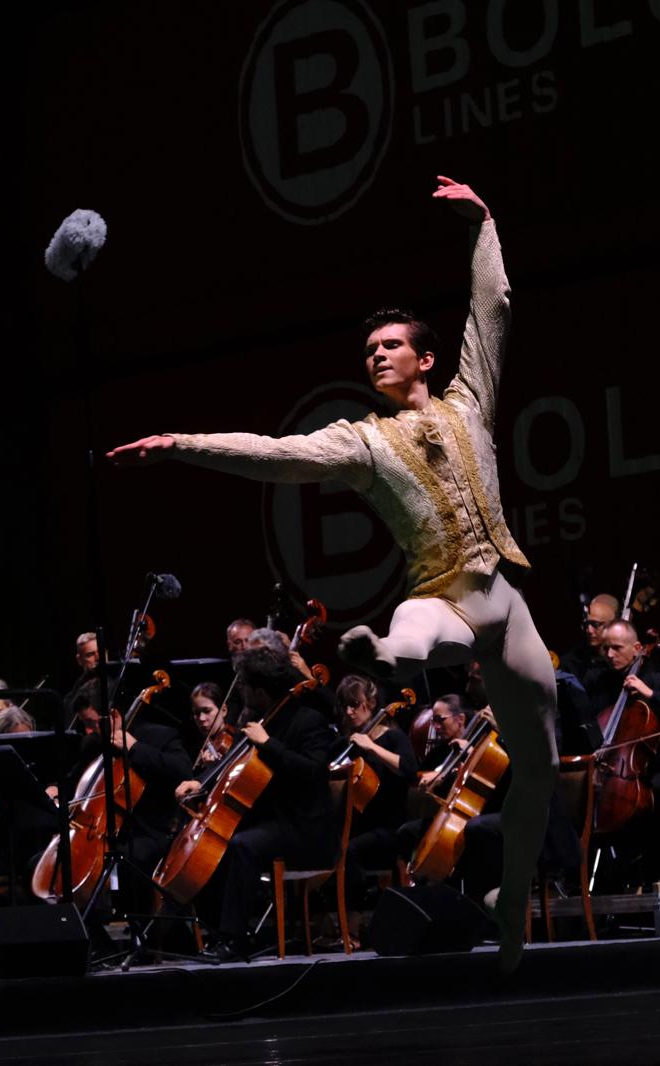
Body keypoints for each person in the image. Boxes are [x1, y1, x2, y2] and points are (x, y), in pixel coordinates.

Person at [110, 177, 558, 969]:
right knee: (408, 636)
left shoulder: (469, 401)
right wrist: (181, 441)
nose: (374, 356)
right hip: (445, 600)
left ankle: (514, 899)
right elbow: (275, 456)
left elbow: (494, 309)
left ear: (424, 356)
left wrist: (484, 222)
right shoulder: (362, 442)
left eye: (389, 346)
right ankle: (380, 656)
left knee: (541, 769)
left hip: (505, 602)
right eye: (367, 351)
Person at [171, 632, 337, 960]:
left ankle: (236, 940)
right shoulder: (257, 720)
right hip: (273, 819)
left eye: (245, 686)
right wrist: (201, 784)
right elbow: (232, 766)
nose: (241, 693)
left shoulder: (308, 721)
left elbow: (312, 773)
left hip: (304, 828)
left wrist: (268, 744)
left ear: (260, 691)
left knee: (241, 845)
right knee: (211, 842)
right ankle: (216, 930)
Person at [586, 619, 660, 885]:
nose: (609, 655)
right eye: (606, 648)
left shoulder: (657, 679)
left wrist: (650, 694)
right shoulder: (602, 682)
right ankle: (601, 882)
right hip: (614, 772)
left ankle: (653, 877)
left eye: (616, 648)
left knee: (658, 794)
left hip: (657, 770)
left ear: (638, 648)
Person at [332, 674, 417, 907]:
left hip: (389, 827)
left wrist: (371, 746)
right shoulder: (349, 742)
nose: (350, 712)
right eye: (345, 706)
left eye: (355, 705)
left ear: (370, 702)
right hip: (357, 824)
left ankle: (353, 924)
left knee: (349, 852)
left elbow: (409, 770)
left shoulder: (393, 737)